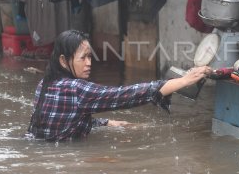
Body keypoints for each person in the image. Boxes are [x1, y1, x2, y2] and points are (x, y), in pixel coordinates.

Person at [27, 30, 212, 141]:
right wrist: (184, 81)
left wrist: (107, 123)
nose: (89, 63)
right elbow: (125, 95)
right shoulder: (77, 89)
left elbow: (63, 121)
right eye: (83, 58)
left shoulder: (45, 83)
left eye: (90, 56)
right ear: (63, 60)